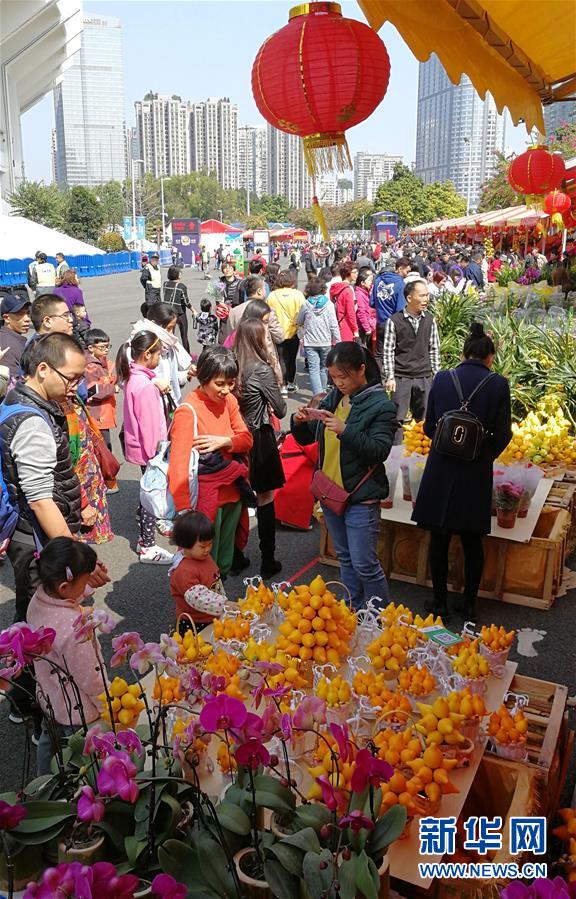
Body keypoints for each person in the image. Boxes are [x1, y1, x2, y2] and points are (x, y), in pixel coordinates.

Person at [0, 334, 109, 721]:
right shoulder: (32, 422)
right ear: (42, 368)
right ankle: (33, 707)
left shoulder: (17, 400)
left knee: (33, 616)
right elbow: (41, 499)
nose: (75, 386)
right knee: (38, 626)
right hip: (37, 538)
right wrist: (79, 558)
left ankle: (30, 697)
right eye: (70, 377)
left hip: (28, 532)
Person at [413, 324, 512, 620]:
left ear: (463, 353)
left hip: (440, 470)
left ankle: (440, 603)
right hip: (475, 472)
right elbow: (504, 433)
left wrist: (447, 448)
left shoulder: (443, 379)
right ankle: (469, 604)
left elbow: (429, 426)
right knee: (472, 541)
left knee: (439, 540)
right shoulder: (498, 384)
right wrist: (482, 455)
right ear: (490, 357)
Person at [291, 342, 395, 609]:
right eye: (334, 377)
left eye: (343, 376)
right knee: (346, 559)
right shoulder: (334, 397)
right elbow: (309, 439)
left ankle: (379, 620)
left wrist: (344, 430)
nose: (339, 383)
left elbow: (379, 450)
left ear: (361, 369)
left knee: (365, 564)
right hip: (330, 492)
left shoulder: (381, 405)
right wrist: (300, 422)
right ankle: (352, 610)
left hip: (360, 497)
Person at [168, 347, 253, 579]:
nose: (226, 390)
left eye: (230, 383)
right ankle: (205, 609)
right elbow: (178, 465)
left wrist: (224, 441)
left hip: (233, 492)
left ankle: (220, 604)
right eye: (220, 383)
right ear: (203, 377)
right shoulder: (188, 410)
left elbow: (246, 439)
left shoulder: (230, 401)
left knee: (224, 560)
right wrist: (185, 511)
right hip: (206, 501)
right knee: (204, 562)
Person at [28, 537, 104, 774]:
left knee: (48, 740)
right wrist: (107, 701)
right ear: (65, 586)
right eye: (84, 582)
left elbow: (68, 596)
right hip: (77, 709)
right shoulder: (74, 629)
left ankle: (42, 785)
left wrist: (86, 585)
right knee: (82, 755)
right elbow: (88, 676)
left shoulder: (39, 600)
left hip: (49, 695)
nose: (85, 589)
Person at [116, 330, 173, 564]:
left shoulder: (135, 377)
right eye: (159, 353)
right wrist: (157, 457)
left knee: (146, 494)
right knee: (151, 495)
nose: (160, 358)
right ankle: (147, 545)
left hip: (138, 447)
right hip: (150, 451)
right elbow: (150, 428)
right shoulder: (145, 386)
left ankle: (145, 533)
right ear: (148, 354)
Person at [235, 317, 287, 576]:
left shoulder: (232, 364)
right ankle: (268, 560)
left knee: (236, 499)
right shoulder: (261, 369)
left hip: (233, 438)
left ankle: (235, 556)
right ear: (257, 340)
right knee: (265, 498)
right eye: (265, 337)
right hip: (259, 437)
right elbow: (280, 408)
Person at [383, 279, 441, 443]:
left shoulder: (430, 319)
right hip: (402, 378)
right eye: (422, 295)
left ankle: (422, 453)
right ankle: (396, 455)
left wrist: (436, 375)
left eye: (427, 295)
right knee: (398, 420)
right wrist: (390, 377)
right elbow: (388, 350)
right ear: (409, 298)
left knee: (425, 419)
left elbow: (434, 348)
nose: (425, 299)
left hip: (424, 377)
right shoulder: (394, 321)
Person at [169, 511, 226, 627]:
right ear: (186, 543)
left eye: (210, 544)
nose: (207, 549)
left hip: (212, 615)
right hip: (195, 623)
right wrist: (224, 604)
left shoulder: (204, 557)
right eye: (202, 546)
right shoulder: (184, 571)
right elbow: (199, 598)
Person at [130, 303, 193, 404]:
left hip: (168, 403)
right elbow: (127, 380)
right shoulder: (136, 345)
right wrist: (153, 382)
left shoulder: (168, 346)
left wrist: (186, 375)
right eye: (168, 328)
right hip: (148, 405)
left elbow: (170, 377)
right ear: (155, 324)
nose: (170, 333)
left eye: (173, 328)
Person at [83, 328, 118, 490]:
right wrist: (112, 388)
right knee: (104, 448)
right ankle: (107, 481)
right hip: (97, 415)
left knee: (104, 447)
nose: (106, 350)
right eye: (103, 347)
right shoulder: (90, 366)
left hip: (103, 414)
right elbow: (91, 391)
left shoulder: (99, 362)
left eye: (107, 346)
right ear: (91, 348)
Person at [297, 277, 341, 396]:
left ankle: (318, 395)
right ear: (323, 289)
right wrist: (338, 341)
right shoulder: (329, 305)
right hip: (325, 342)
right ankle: (324, 393)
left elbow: (299, 320)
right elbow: (334, 325)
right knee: (324, 368)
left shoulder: (306, 304)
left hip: (310, 342)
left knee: (313, 369)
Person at [267, 269, 305, 394]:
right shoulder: (298, 295)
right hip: (293, 331)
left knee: (281, 358)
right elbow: (303, 312)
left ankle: (281, 384)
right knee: (292, 358)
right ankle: (290, 383)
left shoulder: (272, 295)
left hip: (277, 331)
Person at [371, 257, 411, 368]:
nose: (407, 274)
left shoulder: (378, 280)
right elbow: (400, 308)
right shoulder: (400, 284)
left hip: (380, 322)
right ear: (400, 268)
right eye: (406, 271)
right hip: (394, 323)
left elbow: (372, 302)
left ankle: (379, 378)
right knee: (392, 353)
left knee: (379, 354)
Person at [0, 294, 32, 382]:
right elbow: (12, 383)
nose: (27, 319)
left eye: (28, 313)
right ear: (6, 318)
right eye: (20, 314)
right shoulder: (7, 346)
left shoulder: (14, 337)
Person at [162, 265, 192, 352]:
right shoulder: (181, 286)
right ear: (178, 275)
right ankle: (187, 355)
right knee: (184, 336)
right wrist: (193, 310)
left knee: (170, 335)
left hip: (169, 312)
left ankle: (170, 354)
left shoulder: (165, 284)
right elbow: (186, 302)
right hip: (180, 312)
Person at [330, 262, 359, 342]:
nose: (357, 274)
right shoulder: (348, 290)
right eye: (354, 272)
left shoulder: (335, 288)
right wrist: (355, 330)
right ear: (348, 273)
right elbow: (350, 313)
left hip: (336, 323)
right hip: (346, 325)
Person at [355, 268, 376, 348]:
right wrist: (367, 328)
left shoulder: (366, 291)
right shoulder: (359, 294)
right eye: (369, 280)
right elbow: (361, 312)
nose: (371, 282)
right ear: (362, 282)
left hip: (369, 325)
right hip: (363, 328)